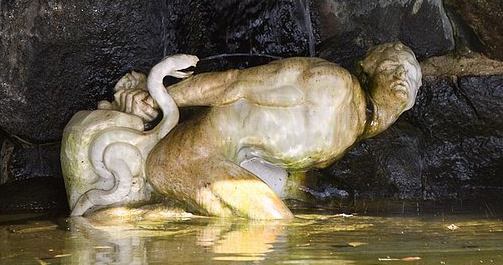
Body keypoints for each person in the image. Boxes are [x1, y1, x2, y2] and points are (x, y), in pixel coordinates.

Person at [110, 42, 421, 219]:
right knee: (277, 224)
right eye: (395, 65)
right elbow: (232, 84)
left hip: (220, 159)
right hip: (190, 157)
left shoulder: (352, 127)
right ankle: (124, 220)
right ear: (367, 64)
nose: (403, 77)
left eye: (411, 75)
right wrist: (155, 100)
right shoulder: (332, 83)